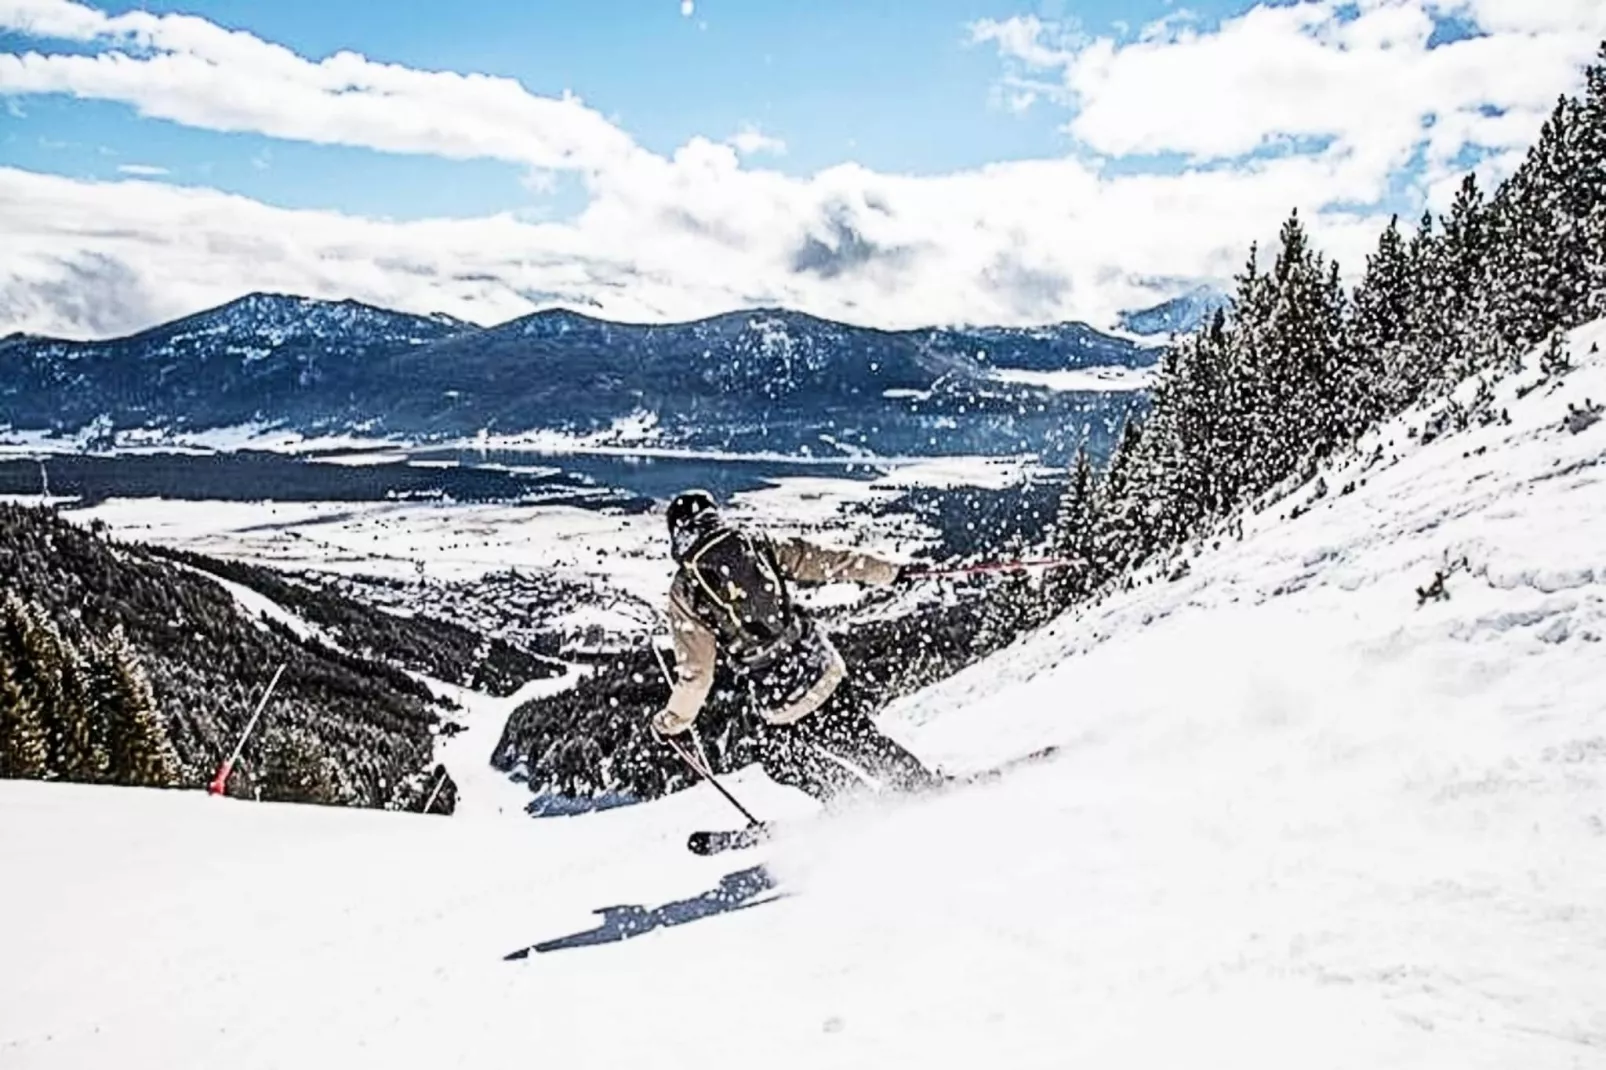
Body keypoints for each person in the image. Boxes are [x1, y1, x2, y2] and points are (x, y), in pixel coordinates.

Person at [650, 488, 941, 802]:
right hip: (822, 667)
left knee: (778, 756)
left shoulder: (685, 589)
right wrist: (891, 573)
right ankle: (918, 784)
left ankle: (850, 802)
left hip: (779, 695)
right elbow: (831, 561)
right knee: (858, 738)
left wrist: (672, 723)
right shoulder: (756, 543)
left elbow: (697, 674)